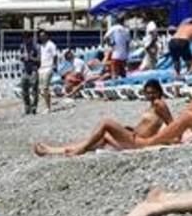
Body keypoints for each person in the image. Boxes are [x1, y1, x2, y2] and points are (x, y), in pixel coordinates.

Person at [33, 80, 173, 157]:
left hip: (140, 143)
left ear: (159, 92)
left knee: (106, 123)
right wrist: (133, 129)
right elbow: (149, 126)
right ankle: (53, 150)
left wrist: (170, 140)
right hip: (134, 137)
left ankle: (79, 150)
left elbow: (172, 125)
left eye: (153, 93)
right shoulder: (153, 105)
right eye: (147, 93)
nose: (150, 96)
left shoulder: (159, 104)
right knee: (99, 138)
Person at [36, 30, 59, 113]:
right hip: (41, 68)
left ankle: (48, 107)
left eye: (43, 35)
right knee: (40, 88)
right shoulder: (40, 46)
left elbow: (55, 55)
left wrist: (55, 65)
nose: (42, 37)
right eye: (40, 35)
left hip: (48, 67)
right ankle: (48, 101)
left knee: (45, 87)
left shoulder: (51, 44)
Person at [19, 35, 40, 116]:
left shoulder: (36, 47)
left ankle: (34, 107)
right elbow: (20, 57)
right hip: (25, 70)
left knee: (34, 90)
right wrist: (22, 57)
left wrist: (31, 58)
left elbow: (39, 59)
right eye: (24, 38)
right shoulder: (22, 47)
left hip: (34, 70)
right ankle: (27, 107)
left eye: (27, 38)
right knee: (24, 90)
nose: (25, 40)